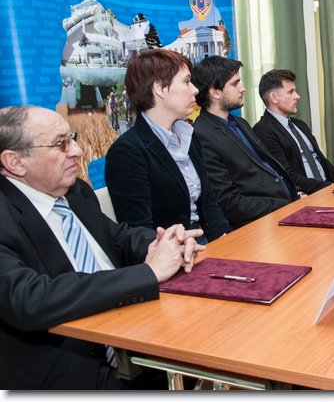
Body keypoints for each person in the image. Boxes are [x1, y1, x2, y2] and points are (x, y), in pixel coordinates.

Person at [0, 105, 204, 389]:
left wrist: (166, 243)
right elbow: (28, 299)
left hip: (135, 336)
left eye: (72, 138)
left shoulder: (76, 192)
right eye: (61, 144)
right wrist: (149, 272)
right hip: (71, 368)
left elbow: (118, 237)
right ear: (15, 162)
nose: (77, 151)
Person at [105, 49, 231, 242]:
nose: (195, 90)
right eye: (186, 82)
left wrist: (226, 240)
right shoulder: (127, 152)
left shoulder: (189, 136)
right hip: (173, 252)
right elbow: (140, 233)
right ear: (160, 89)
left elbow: (208, 202)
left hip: (205, 241)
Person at [191, 56, 299, 229]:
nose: (243, 88)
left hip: (284, 207)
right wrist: (285, 205)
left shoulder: (240, 123)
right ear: (215, 92)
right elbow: (229, 203)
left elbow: (268, 168)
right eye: (235, 83)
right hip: (259, 223)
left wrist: (295, 196)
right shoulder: (201, 134)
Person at [253, 69, 334, 194]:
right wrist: (329, 187)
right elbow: (286, 175)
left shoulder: (300, 125)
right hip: (307, 194)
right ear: (274, 98)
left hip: (326, 188)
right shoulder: (263, 130)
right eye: (291, 92)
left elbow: (323, 163)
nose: (297, 96)